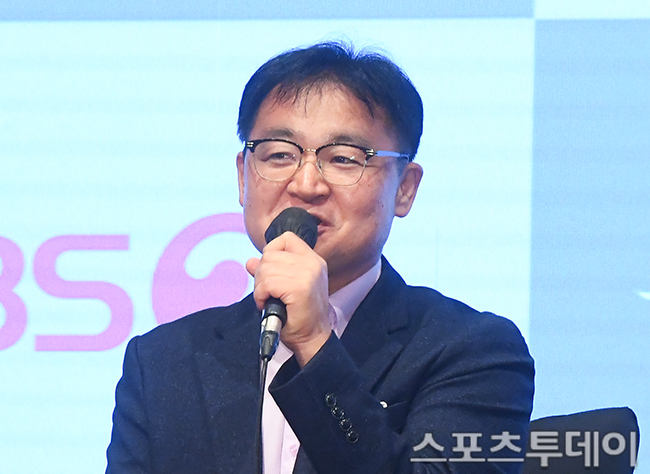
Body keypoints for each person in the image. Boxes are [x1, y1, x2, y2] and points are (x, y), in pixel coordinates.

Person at [106, 42, 534, 474]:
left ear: (405, 188)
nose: (306, 184)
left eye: (343, 159)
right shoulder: (162, 361)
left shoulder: (474, 351)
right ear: (242, 177)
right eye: (279, 155)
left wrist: (314, 344)